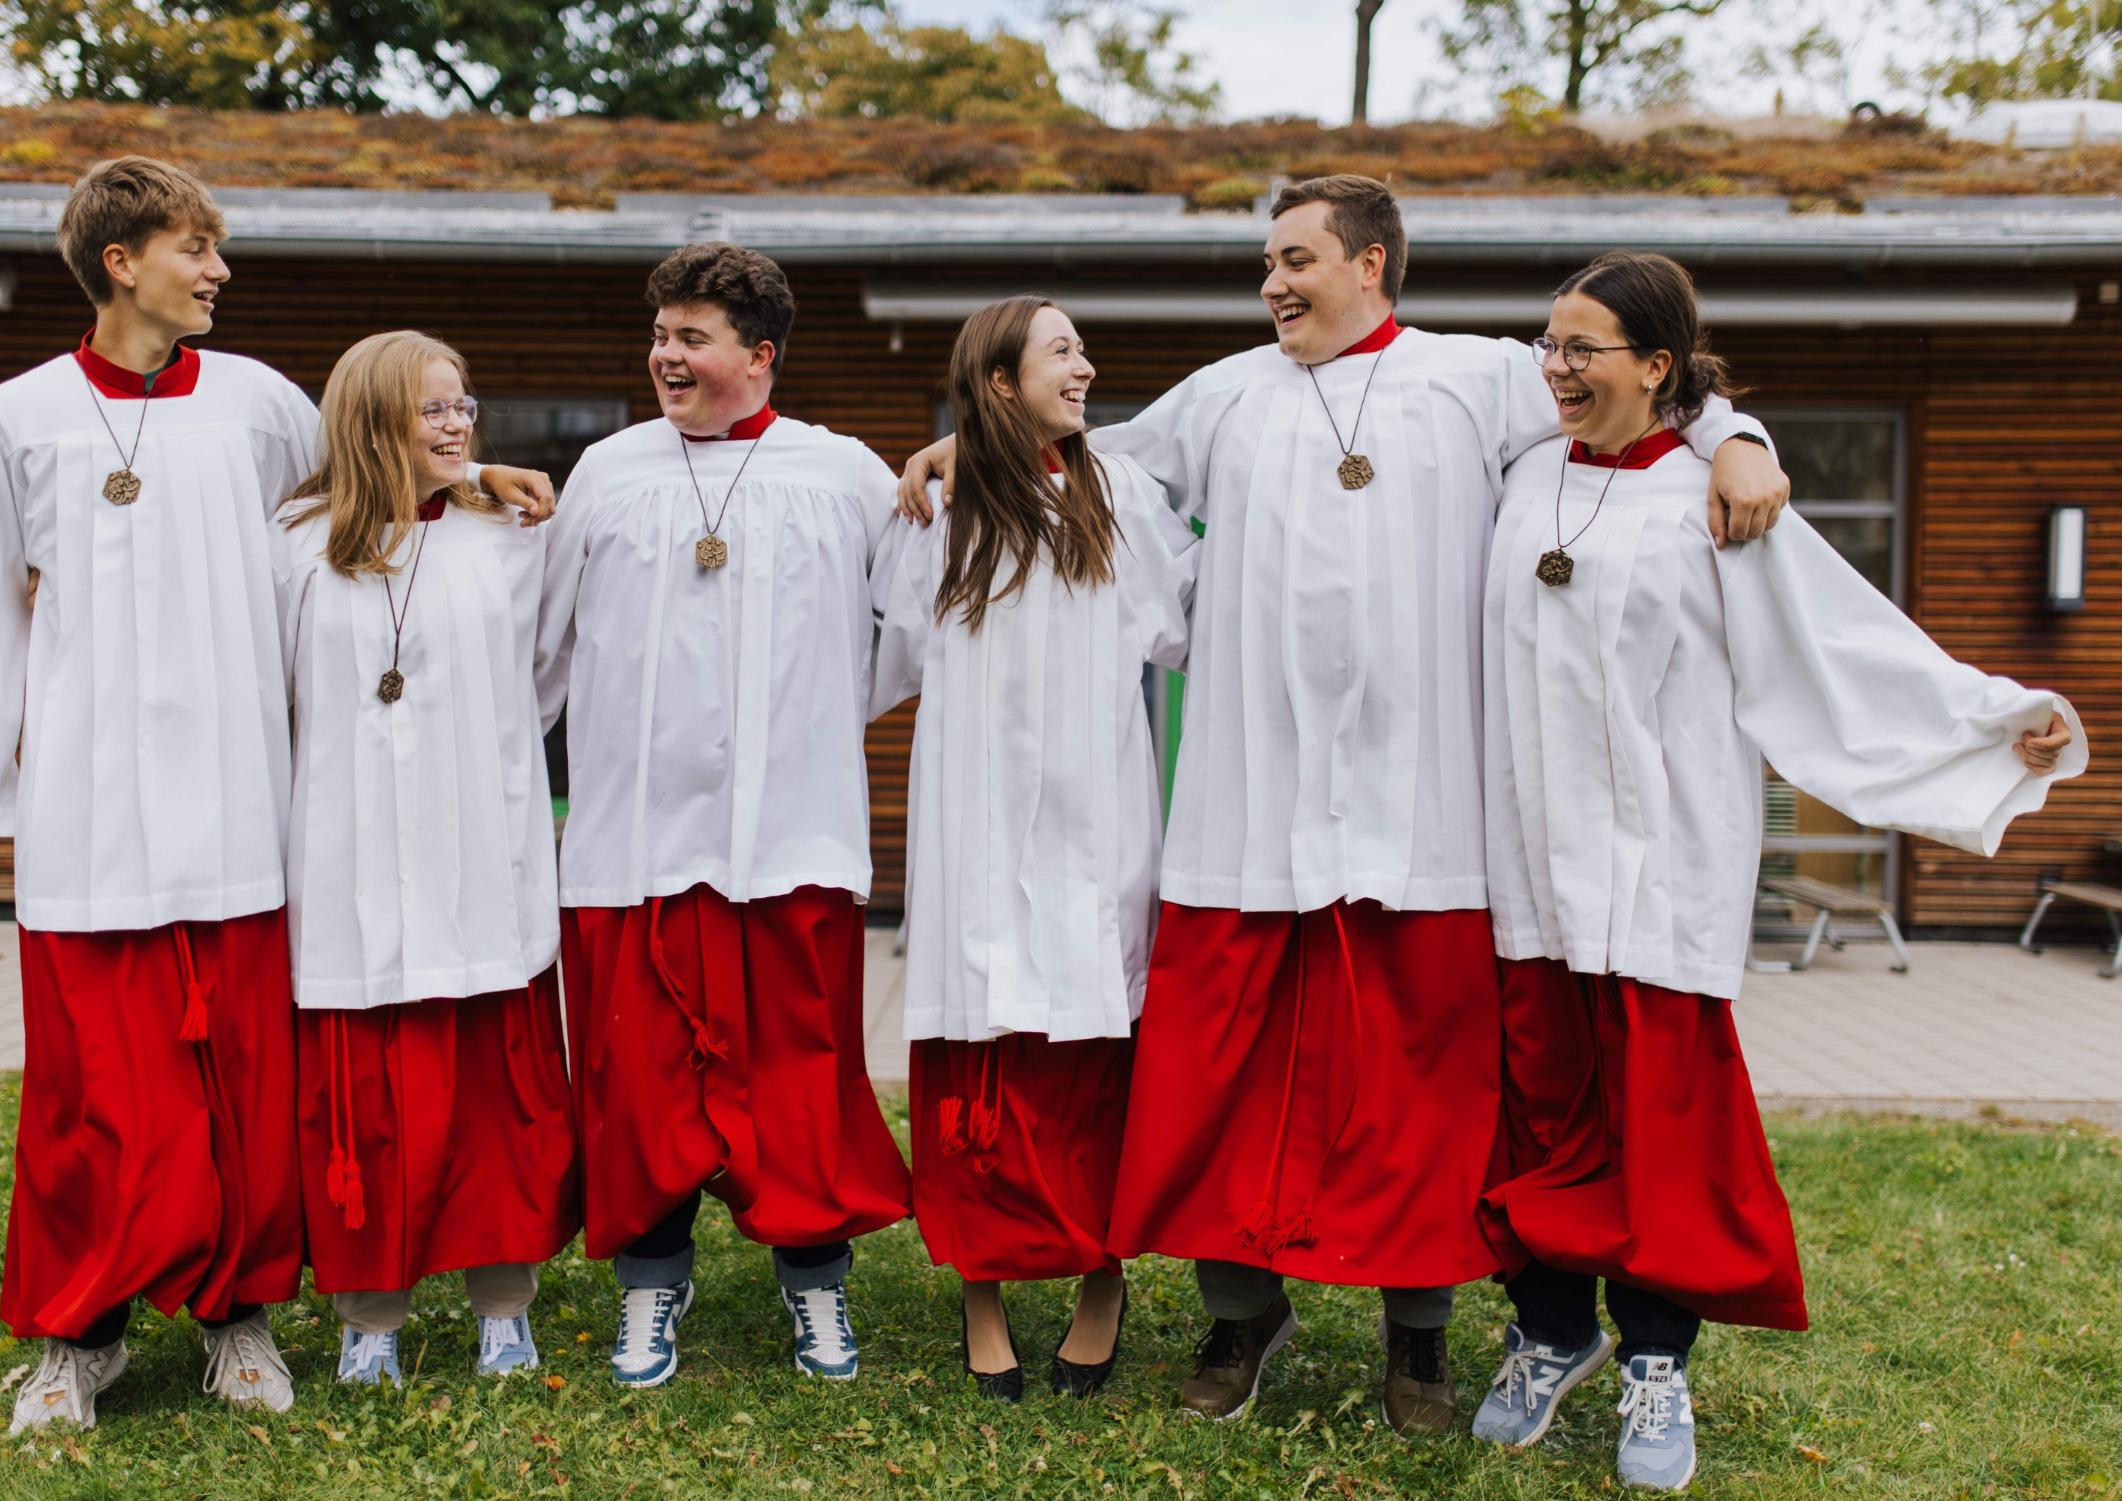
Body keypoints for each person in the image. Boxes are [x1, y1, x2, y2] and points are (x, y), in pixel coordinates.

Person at [898, 173, 1793, 1431]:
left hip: (1418, 819)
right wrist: (959, 440)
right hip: (1246, 818)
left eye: (1296, 259)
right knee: (1232, 1089)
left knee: (1413, 1091)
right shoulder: (1225, 394)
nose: (1273, 283)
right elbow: (1082, 457)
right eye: (1267, 263)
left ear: (1372, 265)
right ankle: (1239, 1308)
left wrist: (1740, 439)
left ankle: (1416, 1335)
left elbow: (1641, 393)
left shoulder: (1480, 378)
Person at [0, 156, 551, 1434]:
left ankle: (236, 1322)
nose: (220, 271)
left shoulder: (256, 403)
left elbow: (371, 481)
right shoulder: (18, 413)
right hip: (87, 821)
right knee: (91, 1093)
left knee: (242, 1094)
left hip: (246, 813)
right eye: (196, 248)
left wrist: (477, 480)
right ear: (120, 261)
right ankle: (77, 1337)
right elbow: (2, 609)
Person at [1467, 250, 2083, 1491]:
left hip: (1663, 861)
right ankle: (1549, 1332)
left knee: (1663, 1126)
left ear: (1657, 366)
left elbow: (1840, 641)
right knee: (1540, 1104)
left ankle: (1654, 1358)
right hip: (1528, 860)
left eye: (1584, 349)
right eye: (1549, 345)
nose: (1556, 368)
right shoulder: (1521, 470)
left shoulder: (1719, 498)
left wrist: (1991, 712)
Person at [537, 241, 912, 1388]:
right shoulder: (608, 471)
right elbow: (538, 643)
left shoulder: (844, 473)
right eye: (660, 335)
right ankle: (651, 1291)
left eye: (691, 337)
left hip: (786, 837)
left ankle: (817, 1295)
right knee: (640, 1084)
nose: (667, 356)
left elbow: (902, 639)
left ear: (758, 354)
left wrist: (801, 720)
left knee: (798, 1083)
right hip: (633, 842)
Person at [869, 297, 1197, 1401]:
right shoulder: (935, 514)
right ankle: (986, 1298)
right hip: (975, 824)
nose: (1088, 367)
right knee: (982, 1072)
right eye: (1064, 351)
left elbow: (1191, 628)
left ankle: (1104, 1283)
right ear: (1000, 383)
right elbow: (884, 657)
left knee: (1096, 1065)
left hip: (1097, 825)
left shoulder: (1126, 499)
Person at [274, 331, 578, 1386]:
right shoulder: (295, 545)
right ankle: (372, 1320)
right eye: (432, 409)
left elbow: (544, 677)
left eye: (466, 405)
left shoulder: (512, 537)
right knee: (368, 1108)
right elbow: (271, 700)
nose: (460, 425)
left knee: (496, 1102)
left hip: (477, 853)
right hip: (349, 861)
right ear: (370, 422)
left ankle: (503, 1308)